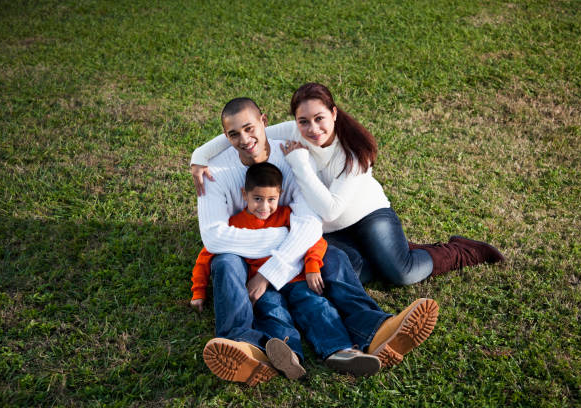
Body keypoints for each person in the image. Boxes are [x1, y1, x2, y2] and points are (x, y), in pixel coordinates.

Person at [193, 97, 439, 385]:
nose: (245, 140)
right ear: (225, 137)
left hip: (292, 254)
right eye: (234, 134)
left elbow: (310, 224)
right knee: (225, 262)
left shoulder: (293, 154)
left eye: (250, 129)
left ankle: (374, 329)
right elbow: (213, 237)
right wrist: (287, 239)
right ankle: (244, 345)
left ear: (265, 121)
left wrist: (275, 267)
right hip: (246, 258)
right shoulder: (212, 173)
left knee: (332, 258)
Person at [190, 83, 505, 286]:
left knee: (401, 273)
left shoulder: (354, 152)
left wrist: (299, 164)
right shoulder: (293, 131)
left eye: (319, 119)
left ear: (334, 114)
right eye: (303, 121)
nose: (312, 129)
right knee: (350, 275)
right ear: (294, 122)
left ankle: (458, 250)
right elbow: (250, 129)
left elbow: (330, 208)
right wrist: (199, 156)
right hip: (331, 231)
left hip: (367, 216)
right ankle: (387, 254)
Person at [193, 162, 381, 378]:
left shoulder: (288, 216)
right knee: (275, 313)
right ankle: (289, 356)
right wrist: (198, 292)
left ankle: (340, 351)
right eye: (257, 199)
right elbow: (206, 255)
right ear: (244, 194)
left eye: (271, 199)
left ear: (280, 195)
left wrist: (312, 266)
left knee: (318, 307)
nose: (264, 206)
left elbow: (314, 241)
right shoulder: (236, 223)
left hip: (298, 279)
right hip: (264, 287)